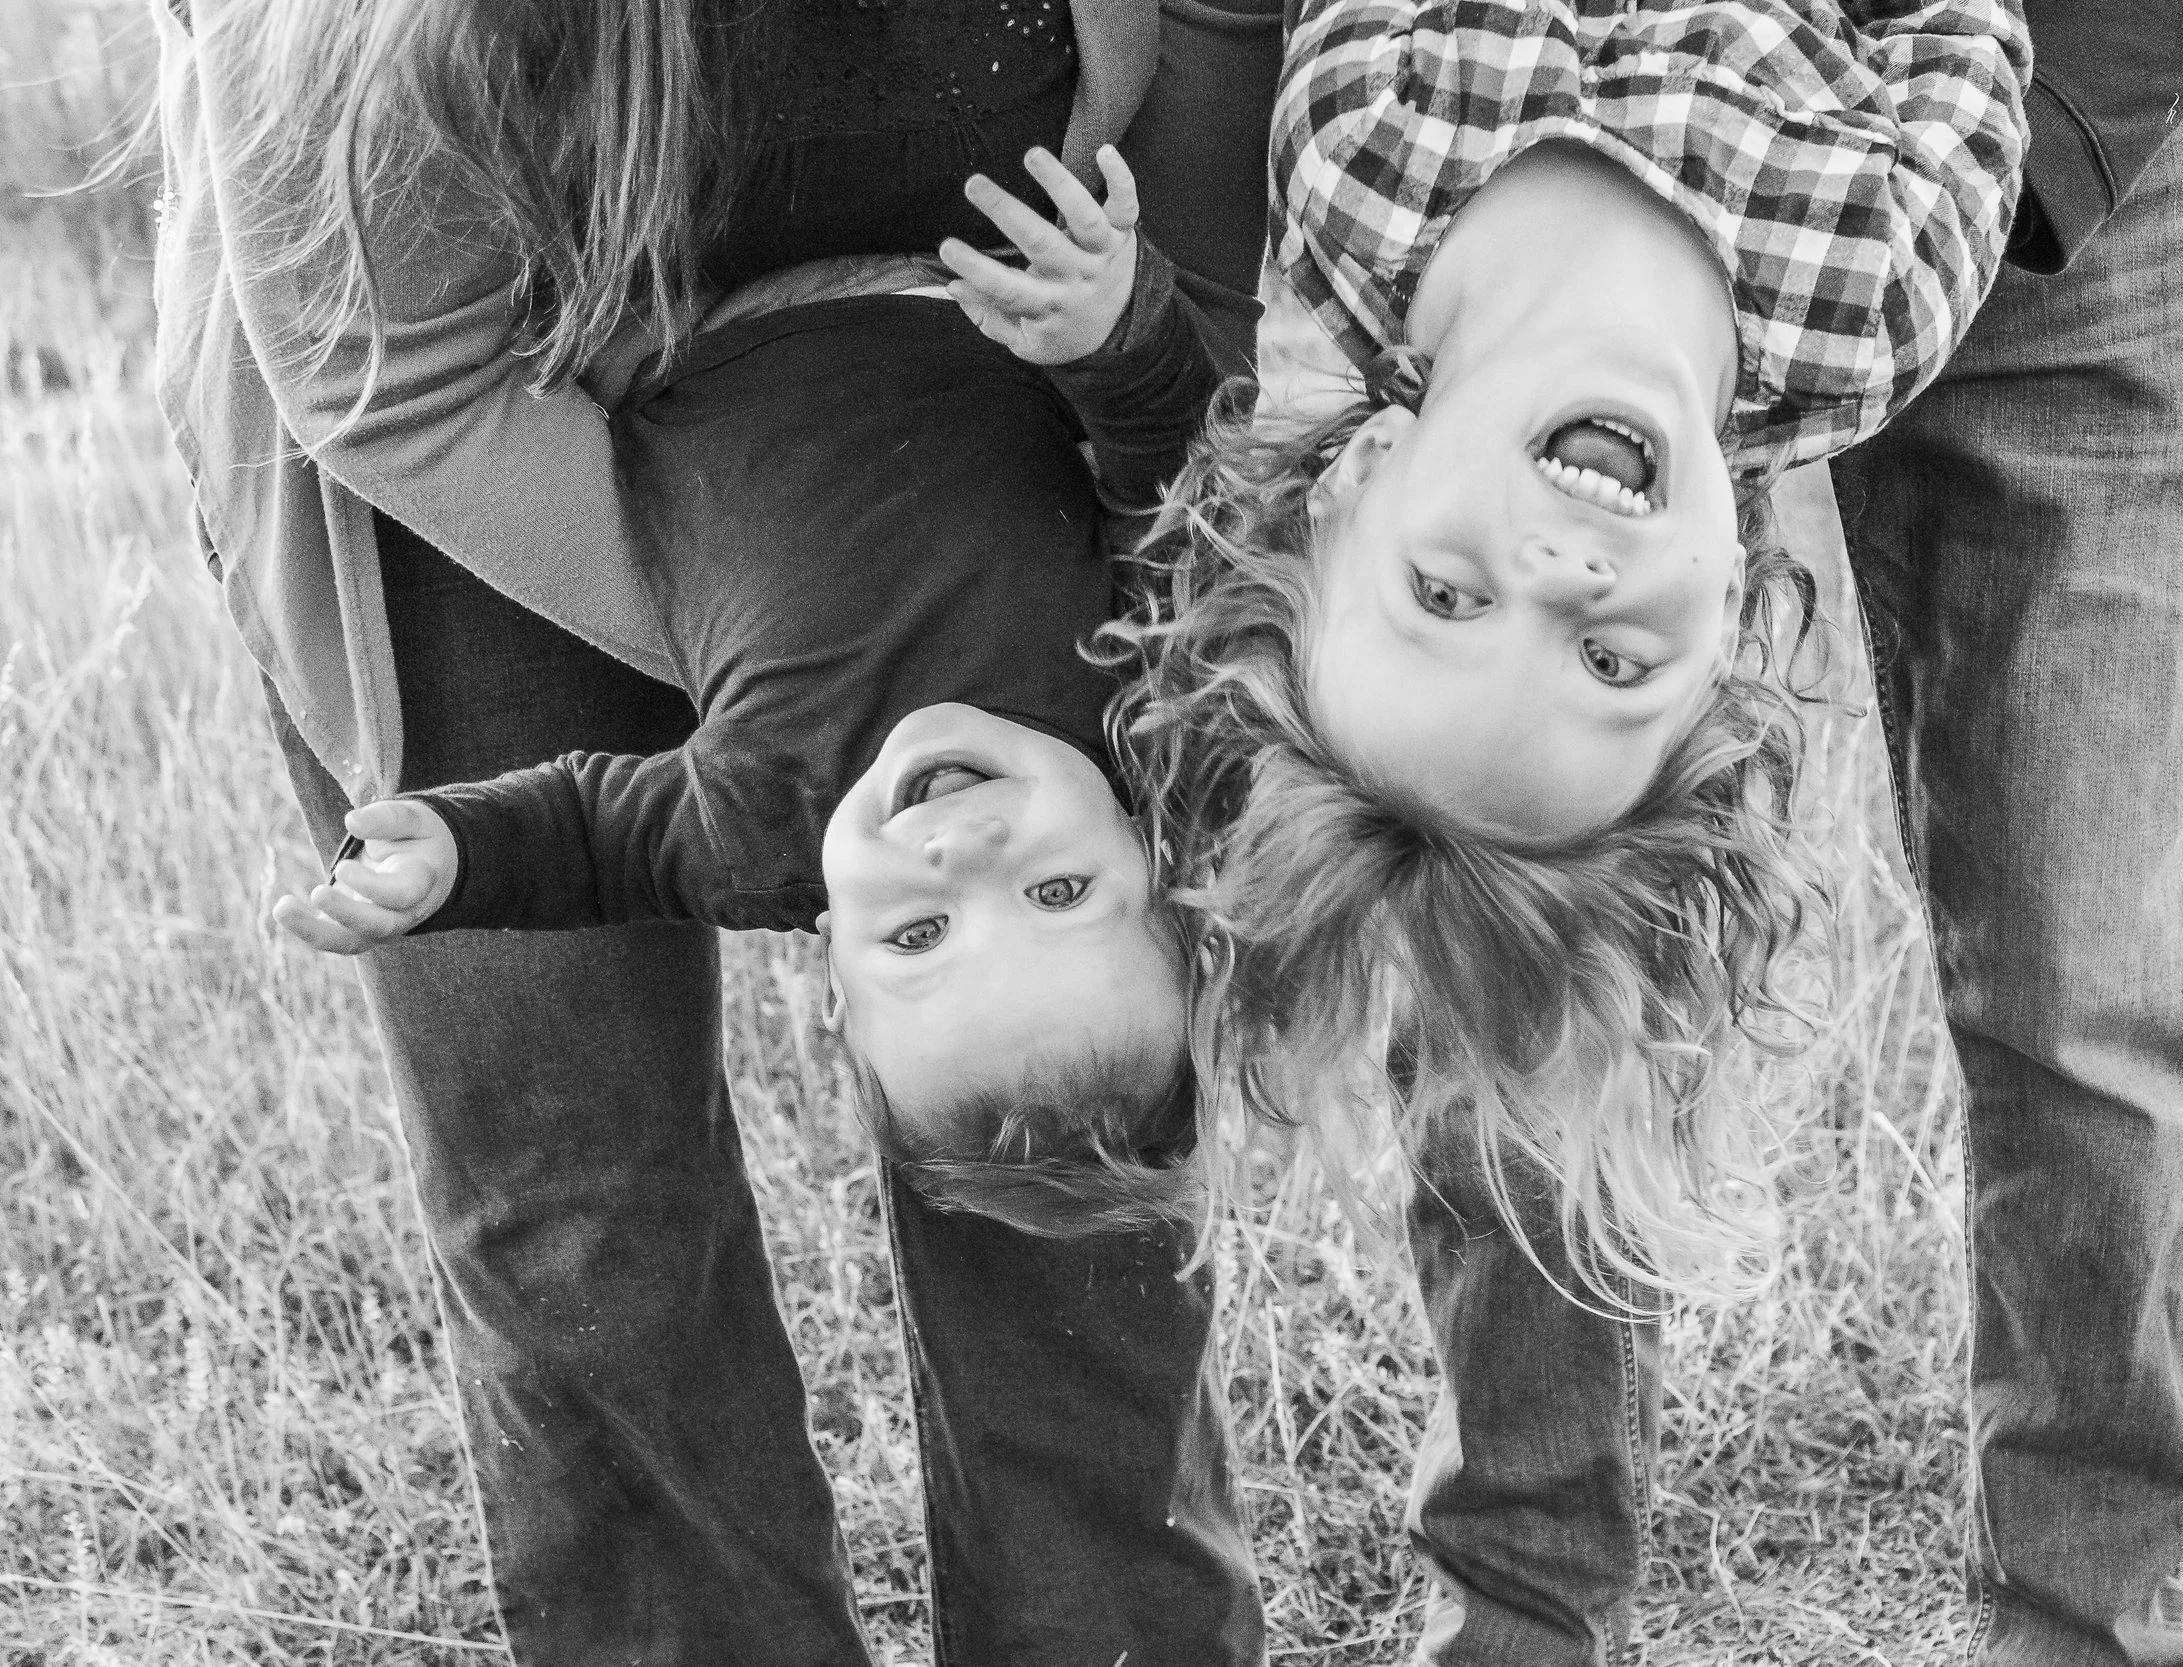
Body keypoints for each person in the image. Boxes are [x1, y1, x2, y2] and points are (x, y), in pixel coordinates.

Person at [152, 0, 1281, 1659]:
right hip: (463, 383)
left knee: (1049, 1130)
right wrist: (795, 655)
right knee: (583, 1180)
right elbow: (384, 367)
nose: (976, 868)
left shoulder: (1084, 780)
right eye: (1033, 879)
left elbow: (1214, 53)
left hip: (982, 365)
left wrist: (1138, 324)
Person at [1108, 0, 2029, 1310]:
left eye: (1446, 592)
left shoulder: (1363, 163)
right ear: (1719, 628)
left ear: (1364, 476)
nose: (1555, 578)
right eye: (1609, 666)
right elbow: (1962, 27)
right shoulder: (1875, 299)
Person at [271, 149, 1221, 1235]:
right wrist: (1119, 329)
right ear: (1153, 862)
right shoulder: (1134, 700)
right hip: (950, 246)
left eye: (918, 935)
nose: (962, 858)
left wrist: (458, 852)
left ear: (837, 987)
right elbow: (1181, 482)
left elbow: (591, 841)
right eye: (1056, 893)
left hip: (669, 295)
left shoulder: (763, 833)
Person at [1824, 1, 2183, 1659]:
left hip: (2085, 137)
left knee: (2085, 985)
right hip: (1646, 126)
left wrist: (2032, 137)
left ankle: (2089, 1623)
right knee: (1540, 914)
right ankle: (1526, 1625)